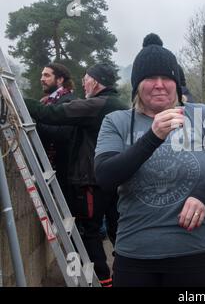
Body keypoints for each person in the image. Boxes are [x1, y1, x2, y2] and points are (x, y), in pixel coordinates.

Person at [94, 33, 205, 287]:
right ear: (137, 84)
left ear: (177, 83)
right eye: (150, 77)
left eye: (167, 77)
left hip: (196, 252)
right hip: (135, 253)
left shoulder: (202, 115)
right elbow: (105, 177)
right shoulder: (115, 121)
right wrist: (152, 137)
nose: (159, 84)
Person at [25, 63, 128, 287]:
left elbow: (50, 113)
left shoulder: (97, 105)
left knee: (88, 230)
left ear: (97, 81)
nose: (83, 82)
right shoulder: (120, 104)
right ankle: (124, 275)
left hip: (91, 180)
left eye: (86, 78)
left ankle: (103, 279)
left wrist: (16, 99)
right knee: (117, 228)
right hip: (115, 177)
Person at [37, 63, 76, 200]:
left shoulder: (69, 102)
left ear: (60, 80)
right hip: (51, 167)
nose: (42, 78)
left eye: (47, 75)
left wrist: (35, 121)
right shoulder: (49, 101)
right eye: (42, 75)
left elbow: (61, 134)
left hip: (63, 171)